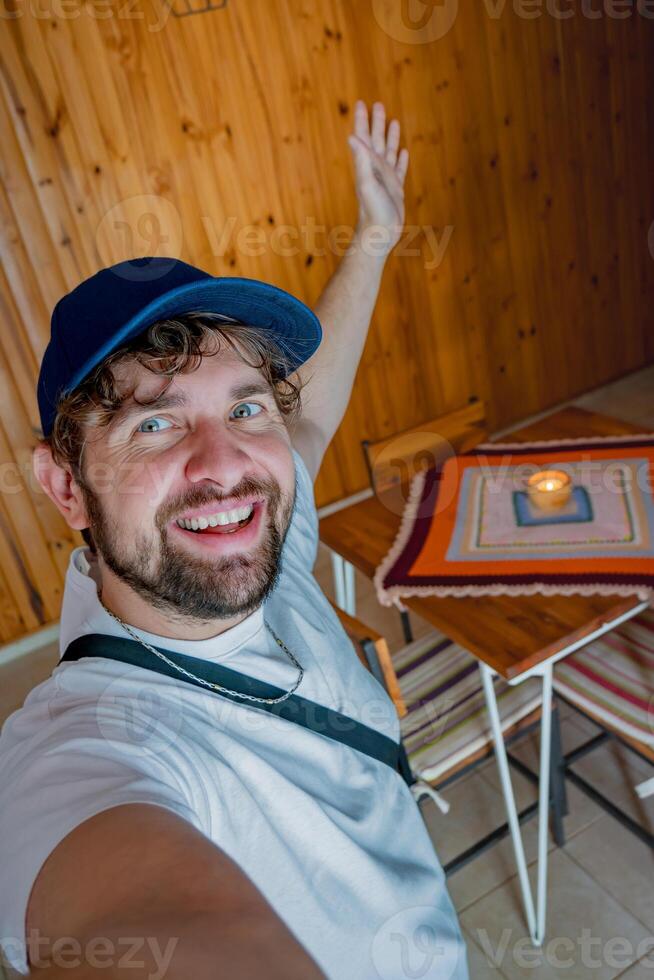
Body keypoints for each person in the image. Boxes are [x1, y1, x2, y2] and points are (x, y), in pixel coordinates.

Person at [0, 101, 468, 979]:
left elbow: (311, 413)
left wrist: (375, 235)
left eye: (246, 406)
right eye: (155, 426)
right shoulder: (89, 750)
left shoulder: (254, 542)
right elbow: (125, 916)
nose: (228, 464)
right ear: (65, 485)